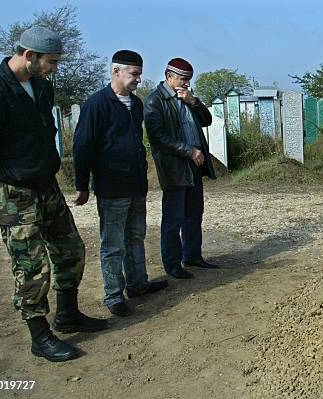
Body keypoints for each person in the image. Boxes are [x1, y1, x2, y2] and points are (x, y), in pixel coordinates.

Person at [0, 26, 107, 362]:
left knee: (71, 251)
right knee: (31, 267)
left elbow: (45, 131)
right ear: (29, 56)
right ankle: (39, 334)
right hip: (15, 194)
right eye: (51, 62)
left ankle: (68, 314)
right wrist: (11, 176)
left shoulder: (40, 87)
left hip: (46, 188)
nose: (55, 68)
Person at [73, 50, 167, 318]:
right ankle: (114, 295)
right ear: (116, 72)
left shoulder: (135, 105)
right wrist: (82, 184)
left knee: (136, 237)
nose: (138, 78)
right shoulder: (97, 104)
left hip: (135, 184)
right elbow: (83, 146)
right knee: (113, 244)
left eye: (139, 73)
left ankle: (137, 284)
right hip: (112, 186)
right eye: (133, 73)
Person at [144, 58, 218, 279]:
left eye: (188, 80)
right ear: (169, 77)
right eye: (183, 79)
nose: (186, 83)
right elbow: (157, 137)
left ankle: (193, 255)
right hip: (174, 166)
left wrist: (193, 102)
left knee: (194, 213)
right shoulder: (155, 100)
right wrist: (187, 150)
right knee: (173, 217)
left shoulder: (188, 97)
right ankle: (173, 264)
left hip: (194, 164)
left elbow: (207, 121)